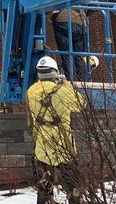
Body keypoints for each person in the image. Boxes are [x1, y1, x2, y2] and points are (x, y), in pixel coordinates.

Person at [27, 56, 85, 204]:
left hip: (42, 146)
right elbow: (81, 105)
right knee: (73, 187)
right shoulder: (63, 91)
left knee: (44, 189)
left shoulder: (31, 92)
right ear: (55, 72)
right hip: (63, 145)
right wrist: (67, 85)